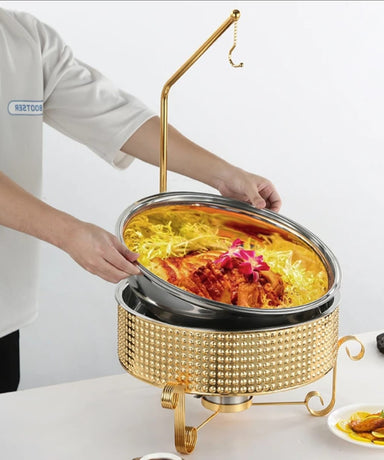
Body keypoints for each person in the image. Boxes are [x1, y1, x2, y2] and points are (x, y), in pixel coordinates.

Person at [0, 8, 282, 393]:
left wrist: (225, 174)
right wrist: (68, 233)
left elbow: (114, 115)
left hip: (6, 304)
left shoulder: (24, 37)